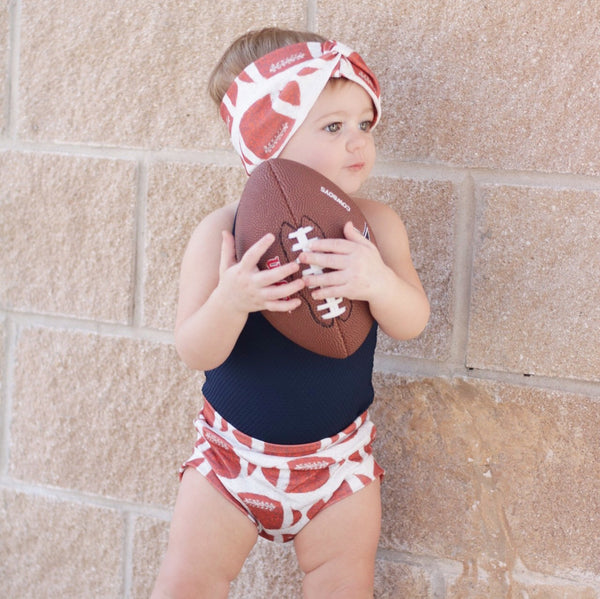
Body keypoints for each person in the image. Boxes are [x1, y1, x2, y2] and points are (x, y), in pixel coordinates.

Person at [152, 27, 430, 599]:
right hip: (231, 462)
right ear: (266, 140)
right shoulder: (222, 235)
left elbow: (411, 320)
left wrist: (376, 280)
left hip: (339, 467)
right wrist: (232, 301)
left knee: (343, 583)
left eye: (364, 124)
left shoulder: (375, 225)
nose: (358, 142)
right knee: (189, 581)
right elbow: (194, 350)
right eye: (333, 127)